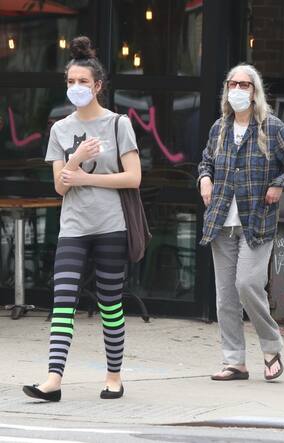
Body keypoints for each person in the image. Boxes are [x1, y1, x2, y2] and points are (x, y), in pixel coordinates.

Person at [23, 36, 141, 401]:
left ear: (98, 86)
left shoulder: (118, 124)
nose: (76, 88)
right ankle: (53, 380)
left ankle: (114, 376)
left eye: (83, 82)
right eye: (71, 82)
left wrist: (87, 177)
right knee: (62, 301)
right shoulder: (60, 129)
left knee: (110, 303)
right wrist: (75, 160)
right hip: (73, 227)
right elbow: (61, 186)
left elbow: (134, 177)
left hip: (111, 226)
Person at [198, 63, 284, 381]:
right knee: (226, 296)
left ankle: (271, 345)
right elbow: (206, 159)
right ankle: (234, 361)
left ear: (254, 92)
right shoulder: (219, 128)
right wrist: (205, 178)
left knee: (247, 284)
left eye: (244, 85)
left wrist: (279, 183)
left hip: (256, 222)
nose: (237, 90)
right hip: (221, 222)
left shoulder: (271, 127)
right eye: (232, 84)